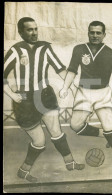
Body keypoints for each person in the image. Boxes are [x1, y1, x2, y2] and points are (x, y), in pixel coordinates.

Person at [3, 17, 85, 183]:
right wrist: (12, 95)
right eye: (29, 30)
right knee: (39, 141)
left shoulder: (45, 48)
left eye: (35, 29)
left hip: (45, 95)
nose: (34, 33)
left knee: (57, 132)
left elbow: (60, 69)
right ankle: (23, 171)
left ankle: (70, 163)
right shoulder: (15, 51)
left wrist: (75, 87)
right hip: (25, 101)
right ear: (20, 32)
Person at [60, 21, 112, 170]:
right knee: (75, 125)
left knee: (108, 125)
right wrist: (65, 87)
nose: (95, 35)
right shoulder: (79, 49)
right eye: (92, 32)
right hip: (84, 92)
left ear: (104, 35)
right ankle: (106, 135)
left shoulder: (109, 52)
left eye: (98, 33)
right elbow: (72, 70)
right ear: (88, 33)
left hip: (102, 93)